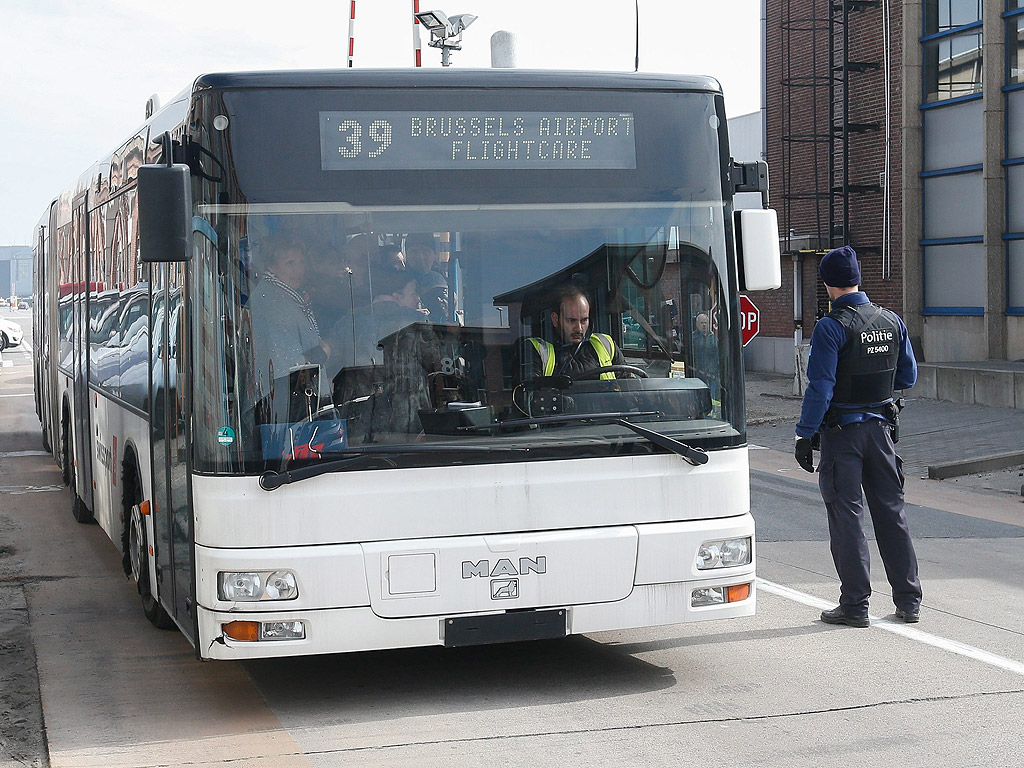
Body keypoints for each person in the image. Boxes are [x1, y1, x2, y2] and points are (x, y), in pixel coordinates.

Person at [795, 245, 921, 627]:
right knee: (891, 514)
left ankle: (854, 605)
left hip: (843, 434)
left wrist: (805, 434)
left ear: (829, 284)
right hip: (882, 431)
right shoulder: (891, 320)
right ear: (858, 279)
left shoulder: (831, 327)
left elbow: (821, 387)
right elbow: (908, 377)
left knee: (847, 517)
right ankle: (909, 601)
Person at [248, 237, 329, 391]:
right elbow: (286, 369)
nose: (299, 270)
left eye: (302, 262)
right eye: (290, 263)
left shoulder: (286, 295)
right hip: (285, 405)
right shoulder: (272, 302)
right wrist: (322, 353)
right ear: (271, 266)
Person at [523, 285, 627, 381]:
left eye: (584, 320)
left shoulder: (606, 344)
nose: (579, 328)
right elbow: (529, 394)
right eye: (571, 320)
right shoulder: (535, 350)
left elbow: (629, 385)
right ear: (555, 319)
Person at [404, 233, 450, 321]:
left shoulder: (440, 280)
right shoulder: (398, 282)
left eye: (426, 251)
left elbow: (445, 311)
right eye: (414, 252)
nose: (420, 257)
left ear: (435, 255)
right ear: (406, 255)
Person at [690, 312, 719, 398]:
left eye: (705, 323)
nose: (704, 325)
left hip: (712, 373)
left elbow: (718, 355)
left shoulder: (713, 337)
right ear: (697, 324)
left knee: (711, 397)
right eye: (702, 323)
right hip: (698, 373)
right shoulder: (692, 338)